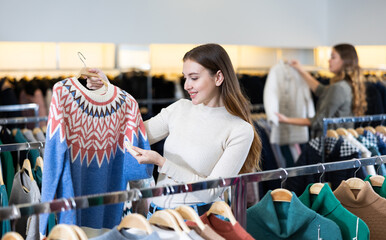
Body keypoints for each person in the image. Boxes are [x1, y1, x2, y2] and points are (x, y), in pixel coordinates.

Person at [86, 43, 262, 215]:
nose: (186, 86)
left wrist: (162, 163)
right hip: (157, 215)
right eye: (185, 78)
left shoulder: (239, 130)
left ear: (218, 77)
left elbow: (209, 192)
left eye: (194, 78)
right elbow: (132, 134)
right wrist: (108, 91)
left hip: (199, 220)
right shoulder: (180, 109)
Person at [276, 43, 367, 138]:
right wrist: (300, 70)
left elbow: (318, 121)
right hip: (340, 140)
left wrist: (285, 120)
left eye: (333, 57)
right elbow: (321, 90)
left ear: (344, 61)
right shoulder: (347, 85)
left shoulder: (338, 88)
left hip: (330, 143)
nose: (329, 60)